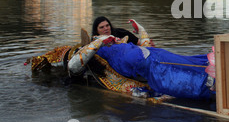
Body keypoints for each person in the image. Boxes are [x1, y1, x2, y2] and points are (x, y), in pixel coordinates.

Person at [68, 19, 215, 100]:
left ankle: (210, 68)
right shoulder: (97, 47)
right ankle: (206, 86)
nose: (106, 28)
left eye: (107, 26)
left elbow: (143, 44)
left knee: (180, 60)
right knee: (171, 71)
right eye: (102, 27)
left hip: (150, 53)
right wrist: (100, 41)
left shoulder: (120, 39)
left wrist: (141, 29)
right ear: (97, 31)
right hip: (141, 63)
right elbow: (73, 66)